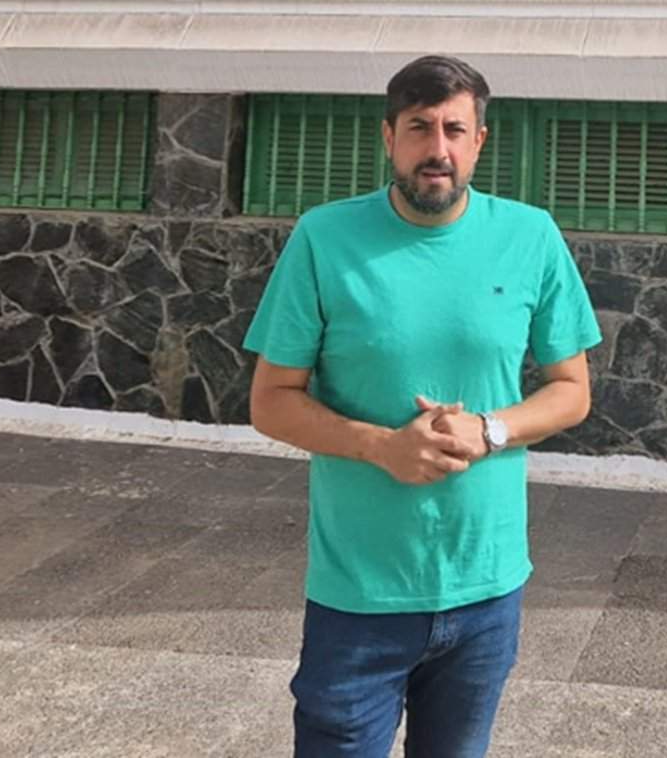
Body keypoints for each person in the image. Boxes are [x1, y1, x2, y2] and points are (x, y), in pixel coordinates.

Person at [243, 54, 602, 758]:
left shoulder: (530, 237)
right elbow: (271, 401)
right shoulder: (324, 238)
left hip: (486, 591)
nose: (437, 149)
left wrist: (489, 429)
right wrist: (384, 447)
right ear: (389, 137)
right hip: (360, 596)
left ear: (479, 141)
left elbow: (572, 389)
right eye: (419, 128)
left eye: (454, 130)